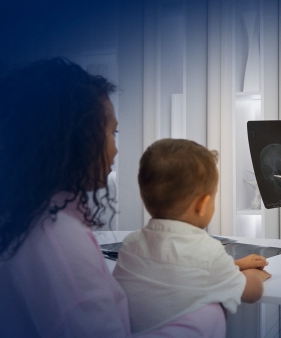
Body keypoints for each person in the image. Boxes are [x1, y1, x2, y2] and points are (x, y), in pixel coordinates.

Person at [0, 58, 131, 337]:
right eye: (112, 132)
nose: (116, 149)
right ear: (75, 139)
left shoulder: (28, 217)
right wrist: (204, 316)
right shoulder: (59, 240)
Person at [113, 139, 271, 337]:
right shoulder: (208, 251)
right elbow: (251, 293)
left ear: (143, 196)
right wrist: (256, 274)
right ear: (203, 204)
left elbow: (173, 271)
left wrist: (235, 265)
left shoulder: (130, 245)